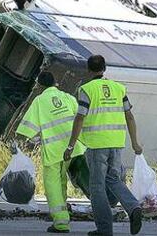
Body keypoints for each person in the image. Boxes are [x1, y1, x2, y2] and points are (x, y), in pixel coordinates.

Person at [64, 55, 143, 236]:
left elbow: (80, 117)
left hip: (96, 144)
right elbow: (129, 116)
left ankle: (104, 229)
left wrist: (70, 146)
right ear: (105, 68)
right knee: (113, 180)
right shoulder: (119, 88)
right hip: (116, 143)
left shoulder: (86, 89)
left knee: (97, 187)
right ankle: (133, 207)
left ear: (88, 69)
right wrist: (135, 142)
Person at [16, 71, 86, 233]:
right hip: (72, 148)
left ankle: (61, 222)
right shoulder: (68, 97)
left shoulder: (39, 101)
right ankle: (64, 212)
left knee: (52, 184)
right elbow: (81, 119)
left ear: (40, 86)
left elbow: (28, 129)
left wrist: (23, 142)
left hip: (54, 151)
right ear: (56, 82)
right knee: (61, 181)